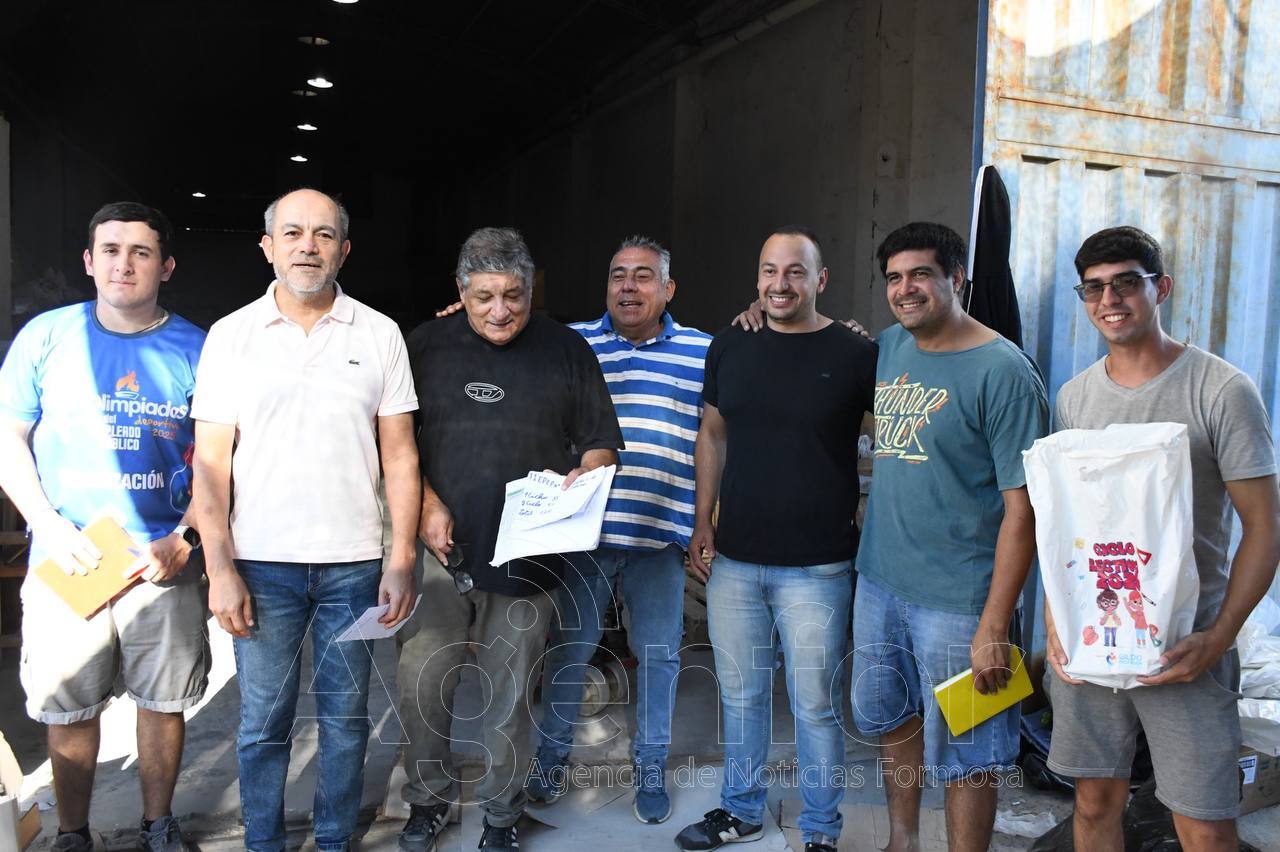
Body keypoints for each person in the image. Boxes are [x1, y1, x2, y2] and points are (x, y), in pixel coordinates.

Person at [191, 188, 420, 852]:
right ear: (268, 247)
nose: (307, 246)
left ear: (344, 250)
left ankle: (333, 839)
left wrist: (401, 558)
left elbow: (401, 455)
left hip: (354, 565)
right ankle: (263, 842)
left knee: (346, 722)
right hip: (261, 566)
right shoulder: (232, 336)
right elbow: (211, 462)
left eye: (323, 235)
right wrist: (220, 568)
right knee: (264, 724)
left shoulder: (379, 334)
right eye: (292, 233)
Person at [1043, 225, 1280, 852]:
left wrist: (1217, 639)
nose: (1109, 300)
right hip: (1095, 642)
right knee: (1094, 803)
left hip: (1186, 650)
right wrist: (1055, 623)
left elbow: (1265, 526)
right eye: (1093, 288)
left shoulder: (1220, 390)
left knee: (1205, 824)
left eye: (1126, 282)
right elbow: (1065, 527)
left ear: (1162, 288)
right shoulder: (1075, 398)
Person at [396, 227, 623, 852]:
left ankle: (501, 816)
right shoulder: (425, 345)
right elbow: (395, 441)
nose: (500, 311)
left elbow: (601, 441)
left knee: (511, 694)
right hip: (439, 552)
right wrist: (426, 505)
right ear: (460, 290)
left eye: (513, 296)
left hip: (530, 554)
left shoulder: (566, 349)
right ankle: (427, 801)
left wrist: (586, 476)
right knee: (424, 685)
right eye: (484, 297)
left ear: (531, 289)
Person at [0, 202, 207, 852]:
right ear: (89, 261)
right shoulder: (46, 337)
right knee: (69, 706)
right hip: (70, 556)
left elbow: (224, 460)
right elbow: (8, 436)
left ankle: (156, 826)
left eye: (141, 252)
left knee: (163, 703)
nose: (124, 264)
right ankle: (72, 834)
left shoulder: (198, 349)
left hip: (161, 558)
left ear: (165, 267)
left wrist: (187, 536)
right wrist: (45, 522)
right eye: (111, 250)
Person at [675, 227, 876, 852]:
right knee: (741, 696)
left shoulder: (856, 353)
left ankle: (820, 829)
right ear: (757, 277)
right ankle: (741, 811)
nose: (780, 283)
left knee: (814, 704)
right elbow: (712, 433)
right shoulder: (732, 343)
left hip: (819, 567)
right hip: (736, 561)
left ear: (821, 280)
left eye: (795, 271)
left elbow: (894, 442)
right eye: (769, 270)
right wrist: (703, 519)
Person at [850, 222, 1047, 852]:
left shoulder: (1004, 371)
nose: (905, 289)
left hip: (962, 604)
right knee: (894, 719)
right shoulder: (889, 347)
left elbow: (1025, 510)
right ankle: (902, 841)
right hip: (880, 583)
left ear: (956, 278)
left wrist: (995, 623)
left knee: (972, 754)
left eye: (920, 274)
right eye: (894, 278)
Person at [517, 236, 711, 824]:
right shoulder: (571, 343)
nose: (628, 286)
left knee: (659, 656)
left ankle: (650, 767)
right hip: (585, 536)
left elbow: (717, 438)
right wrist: (459, 312)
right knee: (569, 651)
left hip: (660, 536)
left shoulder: (703, 351)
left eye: (643, 276)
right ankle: (551, 759)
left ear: (668, 289)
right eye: (618, 275)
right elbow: (499, 337)